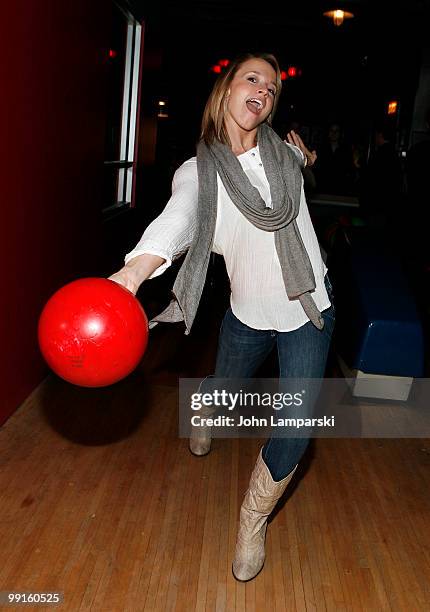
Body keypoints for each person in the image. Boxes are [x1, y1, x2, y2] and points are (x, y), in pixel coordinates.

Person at [109, 53, 335, 582]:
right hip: (248, 314)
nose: (264, 90)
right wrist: (133, 275)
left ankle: (251, 523)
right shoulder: (198, 172)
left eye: (273, 88)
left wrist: (310, 157)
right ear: (225, 92)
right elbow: (181, 217)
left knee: (298, 428)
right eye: (252, 79)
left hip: (310, 307)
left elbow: (302, 165)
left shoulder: (284, 154)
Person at [359, 120, 402, 228]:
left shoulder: (380, 155)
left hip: (377, 204)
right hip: (388, 204)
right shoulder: (394, 154)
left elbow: (371, 179)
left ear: (380, 135)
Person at [314, 122, 355, 194]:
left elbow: (349, 169)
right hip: (323, 188)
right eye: (332, 130)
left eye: (336, 131)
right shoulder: (321, 149)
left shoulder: (346, 151)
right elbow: (317, 168)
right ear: (328, 133)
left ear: (340, 134)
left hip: (340, 189)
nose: (334, 133)